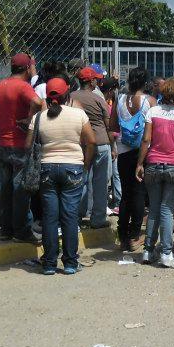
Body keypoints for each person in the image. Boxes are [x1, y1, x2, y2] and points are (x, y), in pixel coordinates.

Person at [33, 76, 96, 275]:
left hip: (46, 169)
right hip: (73, 168)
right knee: (69, 216)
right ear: (66, 94)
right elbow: (92, 141)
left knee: (50, 217)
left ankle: (50, 263)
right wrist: (85, 164)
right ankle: (70, 263)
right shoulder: (78, 114)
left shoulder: (39, 117)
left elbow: (28, 145)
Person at [136, 77, 174, 267]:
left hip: (153, 164)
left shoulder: (153, 112)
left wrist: (140, 163)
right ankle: (166, 253)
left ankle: (147, 251)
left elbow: (146, 140)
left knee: (154, 208)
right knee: (167, 209)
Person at [0, 53, 43, 242]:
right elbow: (38, 102)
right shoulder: (23, 86)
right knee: (21, 189)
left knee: (5, 188)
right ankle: (21, 230)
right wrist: (30, 119)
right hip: (20, 143)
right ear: (28, 68)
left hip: (3, 143)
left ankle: (6, 229)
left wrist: (1, 133)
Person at [111, 67, 155, 252]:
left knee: (126, 194)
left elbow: (112, 125)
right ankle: (135, 236)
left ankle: (122, 236)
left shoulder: (120, 100)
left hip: (123, 150)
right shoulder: (150, 101)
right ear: (145, 82)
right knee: (139, 193)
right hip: (142, 151)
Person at [72, 66, 114, 229]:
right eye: (95, 79)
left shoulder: (71, 97)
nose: (98, 81)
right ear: (91, 81)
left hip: (81, 144)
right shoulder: (99, 99)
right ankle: (97, 219)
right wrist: (113, 146)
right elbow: (108, 125)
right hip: (101, 143)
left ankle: (76, 216)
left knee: (80, 180)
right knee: (100, 182)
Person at [101, 77, 122, 214]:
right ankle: (117, 201)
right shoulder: (106, 104)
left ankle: (116, 200)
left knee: (113, 173)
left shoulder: (103, 101)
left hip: (107, 141)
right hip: (110, 142)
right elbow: (110, 127)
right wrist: (114, 147)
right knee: (113, 173)